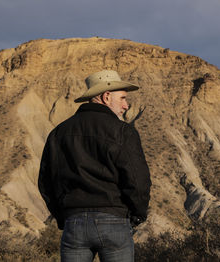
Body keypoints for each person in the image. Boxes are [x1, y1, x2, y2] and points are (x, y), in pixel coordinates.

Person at [38, 70, 151, 262]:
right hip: (114, 221)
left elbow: (46, 182)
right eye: (122, 98)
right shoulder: (123, 132)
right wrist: (137, 215)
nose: (126, 105)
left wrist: (64, 216)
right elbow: (138, 181)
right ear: (106, 97)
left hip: (74, 225)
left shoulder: (59, 133)